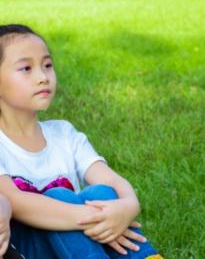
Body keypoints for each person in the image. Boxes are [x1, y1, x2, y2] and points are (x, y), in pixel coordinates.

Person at [0, 24, 163, 259]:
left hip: (77, 239)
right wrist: (94, 218)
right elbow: (16, 201)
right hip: (28, 250)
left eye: (47, 65)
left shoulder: (64, 134)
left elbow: (110, 179)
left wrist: (127, 207)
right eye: (26, 68)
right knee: (60, 196)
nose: (42, 77)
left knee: (102, 192)